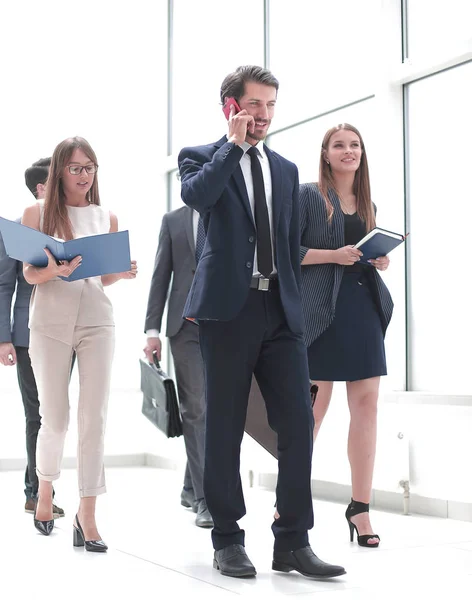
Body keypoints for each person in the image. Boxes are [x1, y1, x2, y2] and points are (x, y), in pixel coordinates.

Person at [178, 65, 345, 579]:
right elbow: (197, 197)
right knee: (224, 426)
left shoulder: (287, 171)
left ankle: (292, 539)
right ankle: (227, 539)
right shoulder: (201, 158)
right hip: (229, 310)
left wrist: (299, 311)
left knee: (298, 423)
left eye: (271, 106)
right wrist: (231, 146)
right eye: (254, 106)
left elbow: (288, 249)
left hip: (280, 310)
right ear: (231, 106)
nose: (264, 116)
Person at [21, 136, 137, 550]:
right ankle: (47, 491)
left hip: (96, 319)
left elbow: (101, 277)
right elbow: (31, 276)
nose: (85, 175)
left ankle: (87, 514)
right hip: (49, 322)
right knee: (55, 418)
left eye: (90, 167)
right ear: (59, 171)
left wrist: (119, 273)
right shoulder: (36, 213)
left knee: (95, 418)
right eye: (76, 168)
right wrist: (54, 269)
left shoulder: (108, 216)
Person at [299, 123, 394, 548]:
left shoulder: (368, 202)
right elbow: (288, 253)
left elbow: (361, 253)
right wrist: (335, 257)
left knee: (367, 407)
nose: (348, 151)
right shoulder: (308, 196)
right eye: (340, 145)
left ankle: (361, 508)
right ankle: (292, 499)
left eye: (355, 145)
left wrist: (378, 260)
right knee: (313, 412)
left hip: (363, 310)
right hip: (322, 312)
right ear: (326, 153)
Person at [0, 158, 65, 518]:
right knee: (37, 414)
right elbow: (4, 285)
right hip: (27, 335)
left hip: (68, 331)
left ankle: (43, 485)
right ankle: (35, 490)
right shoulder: (13, 229)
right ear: (42, 188)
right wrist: (3, 338)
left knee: (57, 414)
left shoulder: (74, 223)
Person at [143, 204, 213, 528]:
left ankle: (189, 487)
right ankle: (205, 498)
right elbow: (161, 275)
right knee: (195, 408)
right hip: (184, 327)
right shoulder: (172, 220)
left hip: (225, 325)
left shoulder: (230, 212)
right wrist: (152, 331)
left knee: (214, 411)